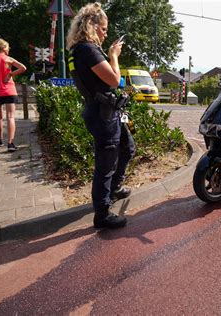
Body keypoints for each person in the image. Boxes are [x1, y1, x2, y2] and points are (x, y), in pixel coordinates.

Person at [66, 2, 135, 229]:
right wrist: (114, 55)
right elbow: (114, 80)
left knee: (127, 147)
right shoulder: (88, 49)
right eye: (104, 28)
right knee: (106, 163)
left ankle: (114, 189)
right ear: (92, 25)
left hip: (104, 111)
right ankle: (102, 214)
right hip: (103, 114)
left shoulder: (77, 51)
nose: (105, 33)